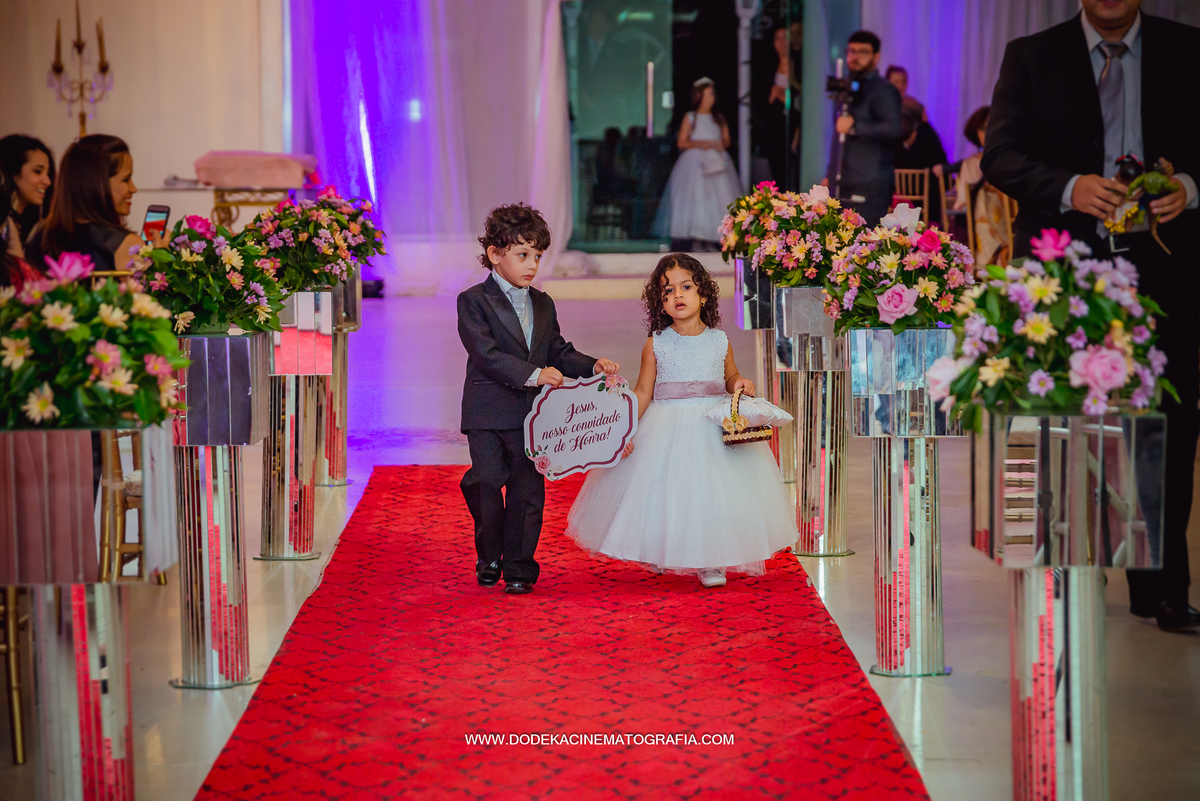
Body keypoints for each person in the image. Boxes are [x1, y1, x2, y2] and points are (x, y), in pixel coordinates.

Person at [982, 0, 1200, 631]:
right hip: (1063, 269)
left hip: (1165, 266)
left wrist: (1190, 184)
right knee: (1059, 423)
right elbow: (999, 156)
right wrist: (1069, 187)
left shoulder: (1187, 49)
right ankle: (1066, 568)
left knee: (1169, 422)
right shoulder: (1031, 54)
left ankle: (1162, 584)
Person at [565, 254, 797, 588]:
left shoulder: (720, 340)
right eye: (667, 291)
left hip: (711, 425)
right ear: (660, 303)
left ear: (703, 294)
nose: (677, 295)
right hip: (667, 425)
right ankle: (663, 550)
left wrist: (740, 384)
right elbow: (644, 391)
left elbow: (729, 376)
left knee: (713, 495)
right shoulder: (656, 344)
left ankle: (711, 559)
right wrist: (624, 429)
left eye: (685, 287)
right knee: (663, 492)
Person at [457, 203, 620, 596]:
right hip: (487, 412)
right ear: (496, 254)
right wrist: (533, 375)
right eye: (522, 255)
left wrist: (591, 365)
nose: (532, 265)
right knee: (486, 480)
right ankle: (489, 552)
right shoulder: (473, 300)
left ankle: (519, 568)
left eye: (537, 256)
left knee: (528, 491)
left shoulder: (544, 304)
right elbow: (486, 354)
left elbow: (558, 350)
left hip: (533, 417)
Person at [25, 134, 164, 274]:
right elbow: (150, 295)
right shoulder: (127, 245)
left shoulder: (39, 235)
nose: (133, 188)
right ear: (98, 185)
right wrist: (162, 258)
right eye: (126, 179)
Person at [826, 30, 903, 226]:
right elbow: (839, 140)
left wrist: (855, 127)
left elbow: (894, 129)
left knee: (863, 248)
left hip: (869, 183)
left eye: (863, 52)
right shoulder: (847, 88)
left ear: (876, 57)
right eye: (852, 51)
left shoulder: (883, 90)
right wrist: (830, 174)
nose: (855, 57)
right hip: (843, 181)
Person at [654, 78, 741, 251]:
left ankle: (716, 238)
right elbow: (682, 142)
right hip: (694, 165)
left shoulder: (719, 118)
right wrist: (704, 144)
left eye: (712, 95)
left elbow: (726, 141)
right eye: (707, 95)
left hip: (717, 163)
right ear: (698, 96)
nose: (711, 99)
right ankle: (696, 237)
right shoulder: (691, 117)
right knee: (696, 199)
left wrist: (718, 144)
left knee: (718, 199)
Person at [939, 106, 1010, 265]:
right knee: (979, 211)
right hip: (979, 221)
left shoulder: (1009, 162)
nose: (987, 133)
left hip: (1006, 219)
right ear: (975, 133)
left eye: (991, 127)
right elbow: (962, 200)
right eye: (983, 129)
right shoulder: (970, 164)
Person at [0, 134, 55, 248]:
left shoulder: (29, 226)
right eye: (38, 171)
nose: (47, 181)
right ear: (13, 172)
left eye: (48, 173)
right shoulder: (4, 226)